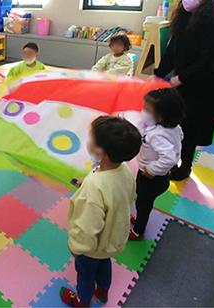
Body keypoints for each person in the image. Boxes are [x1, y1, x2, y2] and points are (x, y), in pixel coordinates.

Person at [155, 0, 214, 181]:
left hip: (205, 84)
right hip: (183, 80)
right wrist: (159, 74)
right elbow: (172, 51)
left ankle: (185, 166)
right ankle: (170, 160)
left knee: (192, 126)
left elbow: (210, 59)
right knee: (176, 121)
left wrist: (182, 78)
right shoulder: (184, 17)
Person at [60, 116, 141, 307]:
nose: (88, 140)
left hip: (91, 248)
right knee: (104, 264)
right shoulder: (125, 170)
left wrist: (77, 247)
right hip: (112, 240)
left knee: (86, 274)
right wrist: (88, 181)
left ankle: (82, 301)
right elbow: (129, 196)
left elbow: (87, 226)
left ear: (99, 151)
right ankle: (103, 291)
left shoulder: (94, 187)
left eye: (91, 138)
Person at [130, 88, 184, 240]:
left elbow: (170, 159)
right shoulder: (172, 127)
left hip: (151, 177)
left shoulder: (157, 135)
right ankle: (139, 219)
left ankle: (138, 231)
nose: (143, 112)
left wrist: (151, 169)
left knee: (143, 204)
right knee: (142, 201)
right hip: (160, 176)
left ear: (161, 116)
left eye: (147, 110)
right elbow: (179, 137)